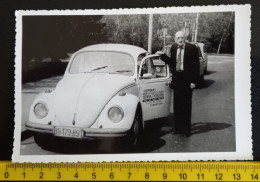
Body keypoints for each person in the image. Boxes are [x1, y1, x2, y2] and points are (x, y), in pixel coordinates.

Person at [159, 31, 200, 137]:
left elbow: (196, 66)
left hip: (187, 79)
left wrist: (193, 81)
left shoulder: (192, 48)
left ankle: (186, 130)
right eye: (178, 38)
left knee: (186, 105)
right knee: (177, 105)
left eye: (182, 37)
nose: (180, 40)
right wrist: (162, 56)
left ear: (185, 38)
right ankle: (177, 128)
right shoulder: (173, 47)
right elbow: (173, 63)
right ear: (175, 39)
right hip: (177, 79)